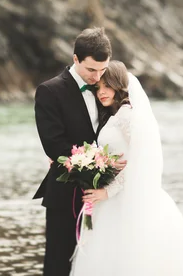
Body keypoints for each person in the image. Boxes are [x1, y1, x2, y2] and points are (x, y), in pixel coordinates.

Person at [70, 61, 183, 276]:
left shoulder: (127, 116)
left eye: (107, 86)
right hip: (110, 201)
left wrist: (107, 191)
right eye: (98, 87)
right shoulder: (110, 117)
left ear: (119, 86)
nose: (101, 92)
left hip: (126, 198)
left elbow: (140, 161)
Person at [33, 27, 126, 276]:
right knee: (59, 262)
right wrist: (98, 164)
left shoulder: (106, 88)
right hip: (65, 192)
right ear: (75, 59)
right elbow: (53, 144)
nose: (97, 77)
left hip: (107, 194)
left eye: (102, 70)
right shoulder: (49, 91)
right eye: (91, 70)